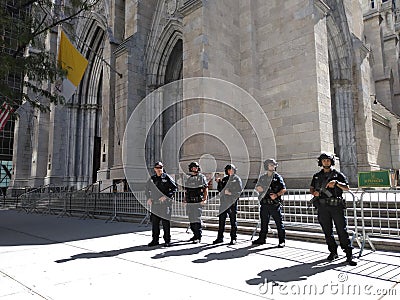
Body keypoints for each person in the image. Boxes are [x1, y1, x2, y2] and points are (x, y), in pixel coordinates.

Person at [310, 152, 357, 266]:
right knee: (327, 231)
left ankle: (348, 254)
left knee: (342, 230)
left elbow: (347, 188)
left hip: (336, 206)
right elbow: (311, 188)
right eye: (324, 160)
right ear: (321, 162)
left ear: (331, 162)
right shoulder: (317, 176)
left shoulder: (338, 175)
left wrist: (336, 183)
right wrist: (314, 193)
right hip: (322, 207)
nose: (326, 162)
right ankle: (333, 251)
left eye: (328, 160)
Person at [252, 158, 286, 247]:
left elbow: (283, 189)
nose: (273, 166)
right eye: (271, 165)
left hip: (274, 204)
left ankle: (282, 240)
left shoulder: (277, 177)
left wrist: (276, 195)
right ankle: (262, 239)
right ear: (267, 166)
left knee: (279, 223)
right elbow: (257, 186)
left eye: (274, 165)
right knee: (264, 222)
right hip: (264, 203)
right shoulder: (262, 177)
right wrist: (258, 189)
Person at [145, 161, 177, 247]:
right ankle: (155, 240)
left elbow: (174, 189)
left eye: (161, 168)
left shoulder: (167, 177)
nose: (159, 169)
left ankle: (167, 240)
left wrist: (166, 196)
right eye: (157, 168)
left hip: (165, 204)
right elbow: (146, 189)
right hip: (155, 204)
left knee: (165, 223)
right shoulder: (152, 179)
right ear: (155, 169)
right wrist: (148, 198)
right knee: (155, 223)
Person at [213, 164, 243, 245]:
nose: (230, 171)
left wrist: (230, 193)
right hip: (224, 203)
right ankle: (220, 238)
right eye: (229, 170)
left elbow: (239, 192)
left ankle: (233, 238)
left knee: (233, 221)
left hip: (232, 203)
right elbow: (220, 190)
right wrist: (219, 182)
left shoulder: (237, 179)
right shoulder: (225, 179)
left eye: (232, 170)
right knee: (221, 221)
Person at [184, 161, 208, 243]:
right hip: (190, 201)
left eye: (196, 167)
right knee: (191, 219)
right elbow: (186, 191)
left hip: (198, 201)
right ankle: (194, 234)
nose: (195, 168)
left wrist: (204, 199)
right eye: (194, 167)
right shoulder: (189, 178)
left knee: (197, 219)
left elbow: (205, 189)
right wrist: (185, 200)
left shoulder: (201, 177)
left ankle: (198, 236)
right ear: (191, 168)